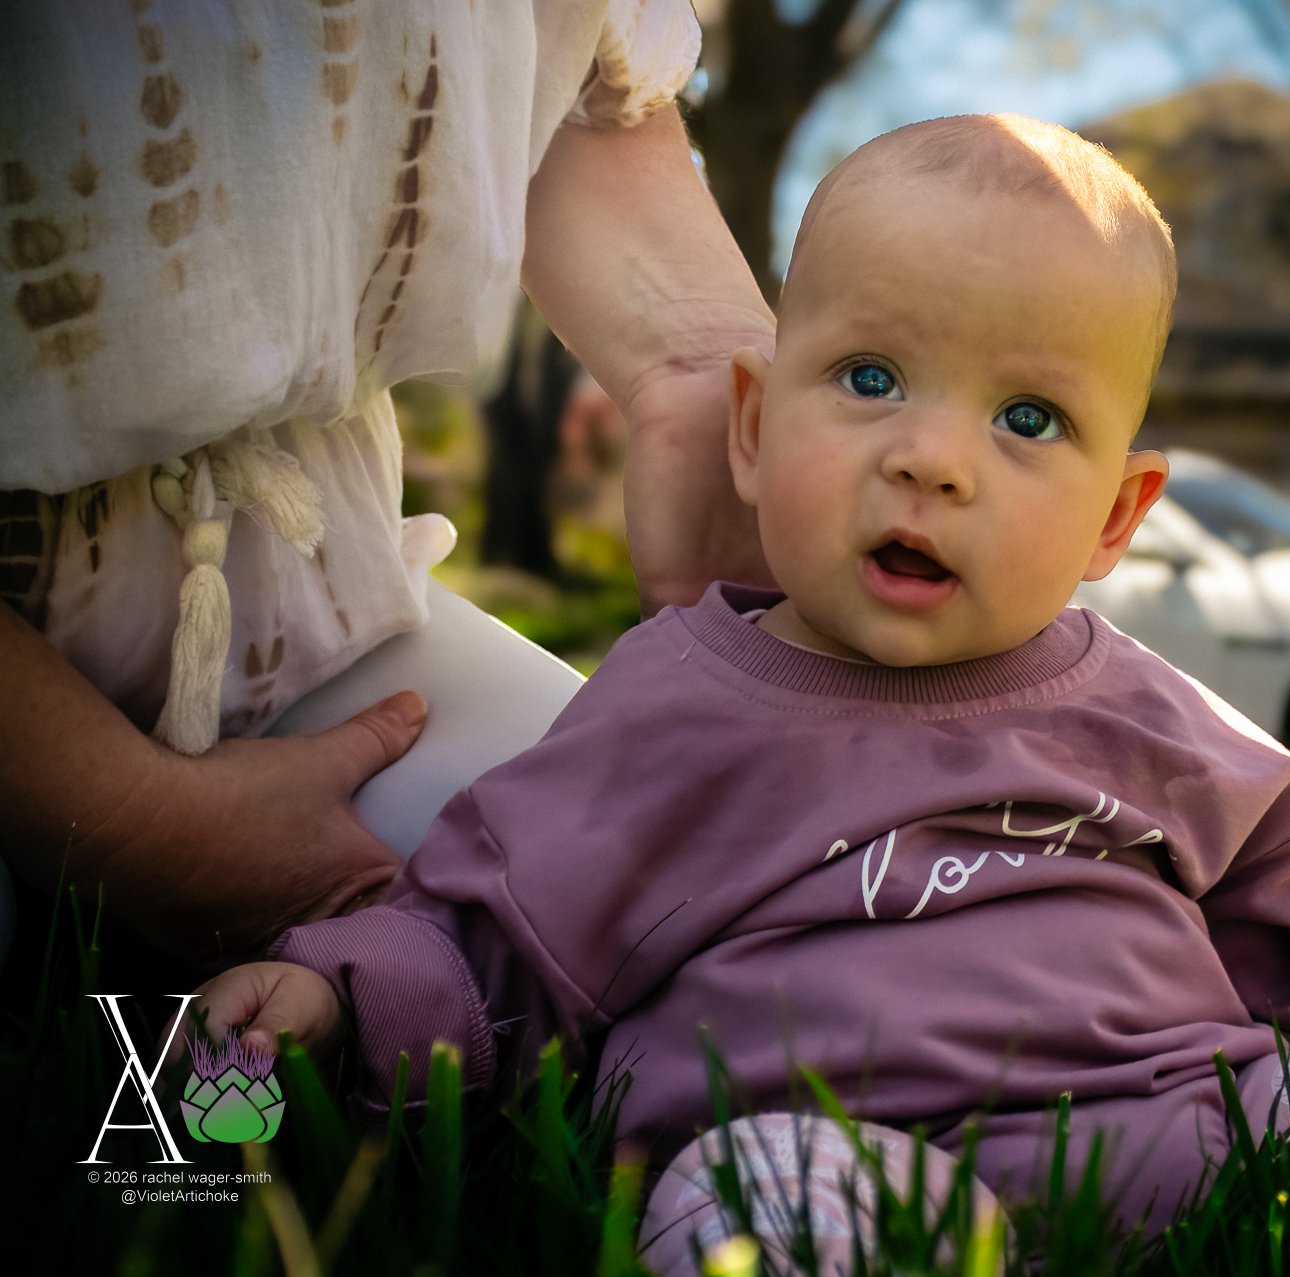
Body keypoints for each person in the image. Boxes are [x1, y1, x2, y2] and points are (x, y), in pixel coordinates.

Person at [186, 115, 1290, 1263]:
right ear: (751, 425)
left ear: (1117, 517)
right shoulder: (675, 705)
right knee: (746, 1202)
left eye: (1026, 418)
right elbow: (489, 940)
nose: (935, 460)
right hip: (846, 1162)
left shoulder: (1153, 716)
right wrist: (334, 994)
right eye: (870, 376)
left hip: (1185, 1124)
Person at [0, 0, 774, 968]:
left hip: (311, 595)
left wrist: (703, 375)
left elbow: (565, 68)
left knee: (697, 900)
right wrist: (129, 822)